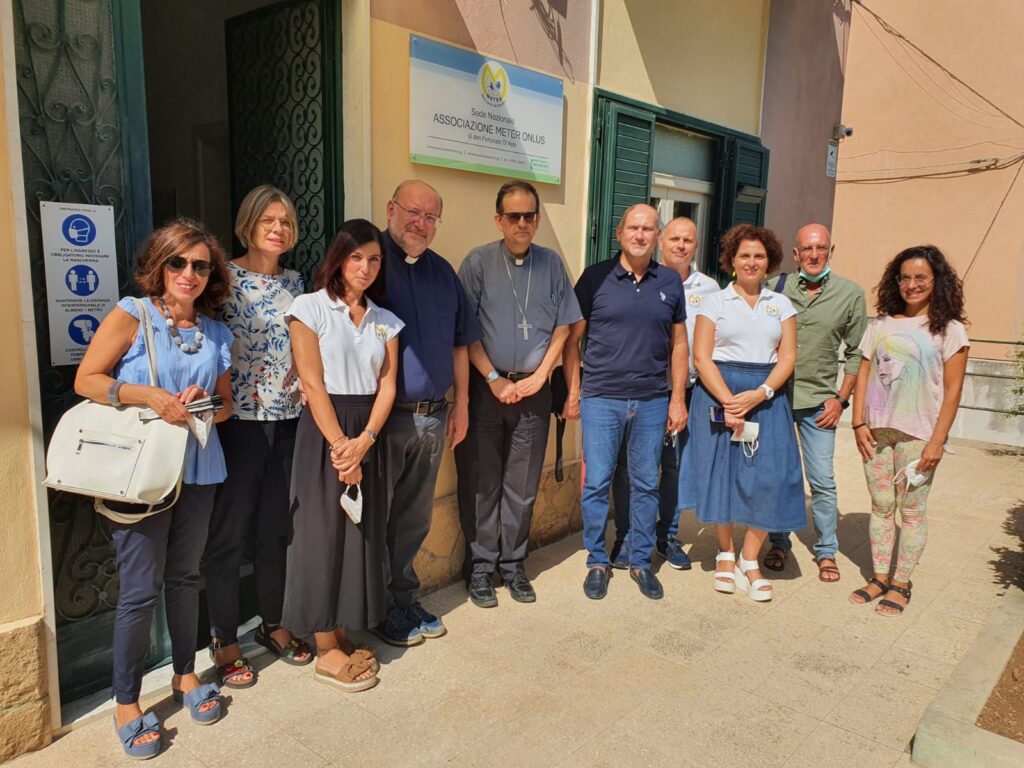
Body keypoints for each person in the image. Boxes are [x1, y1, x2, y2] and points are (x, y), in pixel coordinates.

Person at [74, 219, 234, 759]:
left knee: (186, 577)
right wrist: (148, 395)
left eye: (200, 265)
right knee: (139, 591)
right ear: (159, 265)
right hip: (141, 473)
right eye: (178, 263)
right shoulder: (133, 313)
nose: (188, 274)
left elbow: (226, 402)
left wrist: (204, 402)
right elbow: (87, 379)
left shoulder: (215, 330)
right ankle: (126, 702)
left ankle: (186, 676)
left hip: (200, 467)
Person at [282, 219, 402, 690]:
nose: (365, 267)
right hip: (325, 429)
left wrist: (366, 440)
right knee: (320, 533)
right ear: (338, 258)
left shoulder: (386, 320)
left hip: (367, 431)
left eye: (374, 259)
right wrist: (340, 447)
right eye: (356, 257)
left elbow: (389, 384)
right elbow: (312, 382)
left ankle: (341, 631)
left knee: (357, 534)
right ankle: (323, 646)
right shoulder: (309, 308)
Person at [204, 185, 312, 691]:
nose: (278, 228)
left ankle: (273, 622)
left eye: (286, 221)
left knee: (276, 530)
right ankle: (224, 639)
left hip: (289, 422)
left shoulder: (297, 282)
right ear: (247, 224)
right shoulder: (220, 278)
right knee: (228, 535)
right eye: (268, 220)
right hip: (239, 425)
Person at [455, 180, 582, 607]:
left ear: (538, 220)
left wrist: (542, 375)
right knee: (481, 483)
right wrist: (494, 379)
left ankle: (513, 566)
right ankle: (479, 568)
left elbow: (566, 326)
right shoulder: (477, 263)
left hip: (534, 389)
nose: (522, 223)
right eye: (514, 216)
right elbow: (466, 331)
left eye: (530, 216)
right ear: (499, 220)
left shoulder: (552, 264)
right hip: (487, 386)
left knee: (522, 486)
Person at [373, 180, 480, 644]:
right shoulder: (366, 261)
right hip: (382, 419)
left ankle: (401, 598)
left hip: (434, 416)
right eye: (413, 212)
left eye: (430, 217)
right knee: (375, 515)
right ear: (391, 209)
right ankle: (375, 605)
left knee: (413, 517)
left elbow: (460, 343)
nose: (421, 223)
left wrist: (462, 407)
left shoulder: (442, 272)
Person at [564, 204, 688, 601]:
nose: (640, 235)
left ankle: (639, 560)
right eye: (633, 228)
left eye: (648, 229)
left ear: (657, 236)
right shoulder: (595, 277)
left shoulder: (669, 280)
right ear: (619, 233)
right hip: (601, 397)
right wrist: (573, 390)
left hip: (652, 399)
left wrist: (677, 398)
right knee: (597, 483)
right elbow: (572, 340)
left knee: (645, 483)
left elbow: (680, 344)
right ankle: (597, 561)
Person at [849, 245, 968, 616]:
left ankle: (902, 583)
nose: (912, 284)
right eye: (905, 277)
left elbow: (952, 391)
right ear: (895, 281)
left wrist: (937, 440)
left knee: (912, 510)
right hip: (877, 432)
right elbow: (863, 373)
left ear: (937, 281)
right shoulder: (881, 324)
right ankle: (880, 576)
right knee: (882, 506)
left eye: (921, 277)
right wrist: (857, 421)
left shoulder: (950, 330)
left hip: (919, 436)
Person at [689, 224, 804, 603]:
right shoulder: (715, 303)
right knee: (723, 473)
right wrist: (728, 402)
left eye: (759, 256)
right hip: (718, 391)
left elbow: (787, 357)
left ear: (769, 261)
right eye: (744, 256)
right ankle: (724, 553)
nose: (752, 262)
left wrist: (761, 393)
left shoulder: (781, 304)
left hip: (766, 396)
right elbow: (701, 357)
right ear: (731, 261)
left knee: (768, 477)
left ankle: (749, 559)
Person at [610, 216, 719, 571]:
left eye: (689, 240)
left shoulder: (711, 289)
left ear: (696, 246)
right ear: (661, 241)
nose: (681, 245)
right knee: (629, 468)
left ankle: (666, 536)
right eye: (675, 238)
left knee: (672, 467)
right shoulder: (645, 279)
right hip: (645, 390)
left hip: (686, 391)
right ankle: (626, 535)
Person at [763, 224, 867, 582]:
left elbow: (856, 354)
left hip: (820, 404)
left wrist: (841, 399)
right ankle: (778, 543)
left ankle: (826, 550)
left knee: (822, 479)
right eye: (806, 249)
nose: (813, 255)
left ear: (830, 251)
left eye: (820, 248)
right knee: (778, 477)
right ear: (795, 254)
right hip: (775, 399)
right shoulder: (775, 289)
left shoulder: (850, 294)